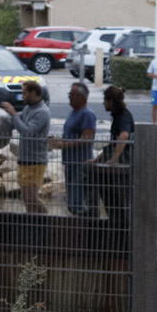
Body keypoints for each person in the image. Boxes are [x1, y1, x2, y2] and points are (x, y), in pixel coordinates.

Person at [0, 79, 52, 213]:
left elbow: (27, 132)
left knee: (31, 198)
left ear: (34, 93)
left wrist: (14, 114)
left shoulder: (42, 112)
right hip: (24, 160)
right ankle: (33, 223)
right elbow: (14, 121)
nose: (22, 96)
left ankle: (47, 221)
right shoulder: (29, 108)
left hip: (35, 162)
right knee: (26, 198)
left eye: (25, 93)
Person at [59, 81, 98, 217]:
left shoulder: (87, 114)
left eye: (72, 94)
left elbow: (87, 138)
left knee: (78, 198)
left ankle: (81, 224)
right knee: (71, 198)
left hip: (80, 163)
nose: (69, 97)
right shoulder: (72, 112)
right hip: (69, 162)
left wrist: (63, 144)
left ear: (81, 97)